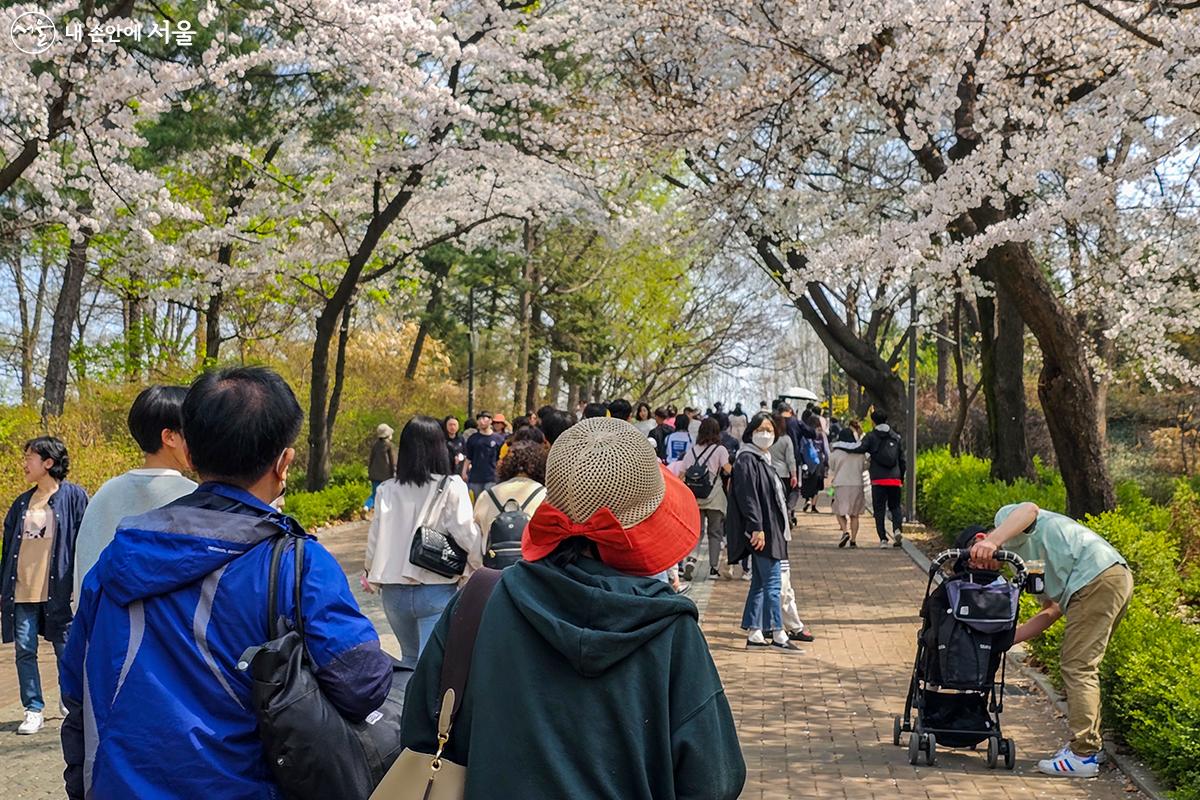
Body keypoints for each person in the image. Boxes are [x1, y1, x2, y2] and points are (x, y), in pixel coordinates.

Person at [60, 367, 392, 798]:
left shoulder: (114, 562)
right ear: (284, 462)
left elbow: (76, 691)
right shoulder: (296, 562)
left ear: (190, 456)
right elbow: (362, 684)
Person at [400, 417, 746, 798]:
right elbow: (714, 780)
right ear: (647, 524)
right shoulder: (671, 633)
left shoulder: (480, 602)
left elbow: (420, 728)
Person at [969, 503, 1133, 778]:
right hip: (1109, 577)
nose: (984, 565)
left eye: (978, 558)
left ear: (980, 541)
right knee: (1083, 666)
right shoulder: (1024, 562)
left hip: (1096, 578)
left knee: (1078, 666)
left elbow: (1030, 509)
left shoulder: (1005, 522)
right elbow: (1051, 609)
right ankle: (1090, 746)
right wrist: (1005, 640)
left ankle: (1084, 754)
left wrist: (995, 539)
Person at [365, 415, 481, 669]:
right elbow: (466, 534)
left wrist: (370, 574)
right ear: (439, 446)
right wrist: (477, 567)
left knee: (408, 661)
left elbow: (375, 538)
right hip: (435, 588)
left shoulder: (387, 489)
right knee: (430, 669)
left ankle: (403, 708)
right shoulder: (452, 486)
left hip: (393, 592)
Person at [73, 385, 197, 602]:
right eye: (193, 432)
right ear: (169, 437)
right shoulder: (194, 496)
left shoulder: (106, 492)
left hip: (106, 626)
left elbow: (83, 568)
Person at [1, 436, 88, 735]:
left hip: (60, 592)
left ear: (48, 463)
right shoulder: (22, 503)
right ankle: (33, 708)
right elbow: (9, 551)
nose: (24, 463)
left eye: (30, 457)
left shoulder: (75, 497)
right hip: (22, 590)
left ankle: (69, 700)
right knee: (25, 650)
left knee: (67, 649)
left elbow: (85, 542)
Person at [725, 413, 801, 652]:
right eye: (761, 429)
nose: (766, 434)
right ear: (751, 432)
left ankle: (755, 632)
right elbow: (748, 497)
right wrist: (756, 527)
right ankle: (778, 633)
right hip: (762, 530)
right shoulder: (747, 459)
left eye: (770, 429)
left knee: (759, 582)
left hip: (771, 529)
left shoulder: (762, 459)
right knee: (773, 583)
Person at [671, 418, 731, 580]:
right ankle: (713, 568)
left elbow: (681, 475)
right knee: (715, 533)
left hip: (695, 498)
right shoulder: (720, 450)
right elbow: (728, 469)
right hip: (714, 497)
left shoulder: (692, 450)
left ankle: (691, 560)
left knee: (696, 533)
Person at [846, 409, 906, 548]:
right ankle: (897, 529)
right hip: (894, 478)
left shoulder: (871, 436)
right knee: (895, 506)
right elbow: (902, 460)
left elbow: (860, 448)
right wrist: (901, 477)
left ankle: (883, 539)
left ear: (873, 421)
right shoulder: (895, 437)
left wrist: (845, 448)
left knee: (879, 509)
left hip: (878, 479)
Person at [473, 441, 548, 548]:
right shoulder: (545, 495)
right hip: (531, 561)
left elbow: (476, 536)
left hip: (493, 562)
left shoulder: (487, 495)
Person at [829, 428, 868, 547]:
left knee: (838, 509)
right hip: (857, 483)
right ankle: (854, 540)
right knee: (854, 514)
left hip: (840, 484)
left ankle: (845, 531)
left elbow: (832, 467)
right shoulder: (860, 453)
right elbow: (865, 466)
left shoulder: (835, 453)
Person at [464, 411, 506, 498]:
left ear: (490, 421)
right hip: (475, 478)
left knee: (490, 503)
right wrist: (464, 472)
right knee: (476, 504)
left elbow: (501, 459)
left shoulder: (499, 439)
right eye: (479, 419)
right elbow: (468, 457)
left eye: (484, 418)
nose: (481, 421)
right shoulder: (473, 438)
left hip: (492, 477)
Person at [769, 412, 800, 526]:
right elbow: (791, 459)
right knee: (792, 493)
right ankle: (788, 510)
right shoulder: (786, 439)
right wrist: (794, 475)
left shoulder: (768, 438)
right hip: (784, 473)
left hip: (769, 472)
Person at [366, 422, 397, 510]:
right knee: (387, 494)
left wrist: (370, 472)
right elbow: (393, 461)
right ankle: (385, 512)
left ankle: (366, 506)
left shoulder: (375, 445)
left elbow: (371, 459)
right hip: (386, 476)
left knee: (375, 494)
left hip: (374, 475)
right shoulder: (390, 446)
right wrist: (395, 473)